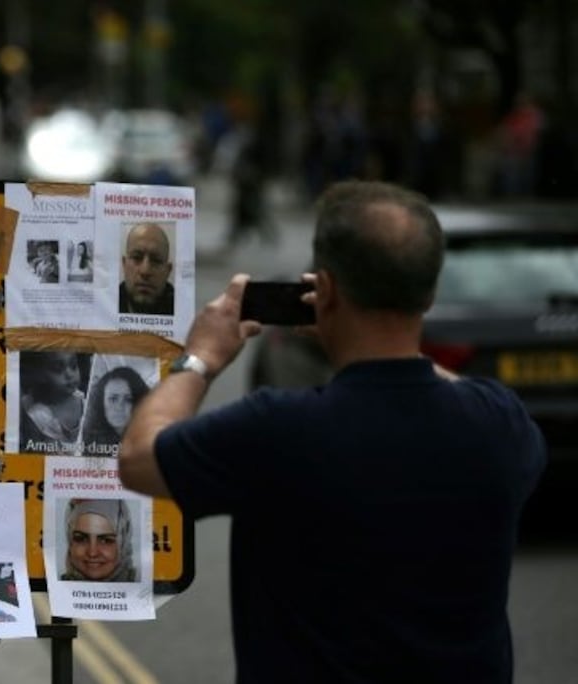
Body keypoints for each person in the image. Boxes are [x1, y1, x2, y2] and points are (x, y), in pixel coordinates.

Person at [117, 181, 546, 680]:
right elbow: (419, 379)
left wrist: (202, 357)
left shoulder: (277, 430)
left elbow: (138, 458)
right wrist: (362, 334)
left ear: (327, 289)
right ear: (429, 293)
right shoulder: (500, 425)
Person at [18, 351, 87, 453]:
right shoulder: (38, 417)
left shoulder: (84, 400)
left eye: (73, 366)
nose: (69, 375)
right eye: (58, 370)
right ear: (41, 375)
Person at [60, 498, 136, 582]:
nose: (92, 553)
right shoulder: (50, 589)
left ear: (123, 544)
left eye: (106, 540)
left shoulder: (142, 590)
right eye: (81, 539)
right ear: (70, 542)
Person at [80, 366, 150, 456]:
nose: (119, 407)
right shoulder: (87, 440)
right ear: (101, 402)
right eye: (113, 399)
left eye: (128, 399)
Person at [119, 222, 175, 316]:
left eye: (156, 260)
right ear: (124, 264)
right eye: (137, 257)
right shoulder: (106, 306)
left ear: (168, 271)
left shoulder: (183, 312)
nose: (145, 271)